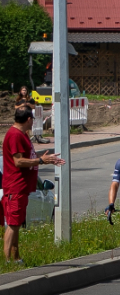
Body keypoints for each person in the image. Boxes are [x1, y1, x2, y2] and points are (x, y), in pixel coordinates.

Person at [3, 108, 63, 264]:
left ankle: (16, 258)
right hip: (15, 187)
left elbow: (29, 157)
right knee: (13, 224)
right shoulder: (15, 135)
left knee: (17, 225)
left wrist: (47, 159)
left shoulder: (23, 135)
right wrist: (41, 161)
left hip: (22, 188)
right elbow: (19, 161)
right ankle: (7, 261)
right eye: (33, 119)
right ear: (29, 119)